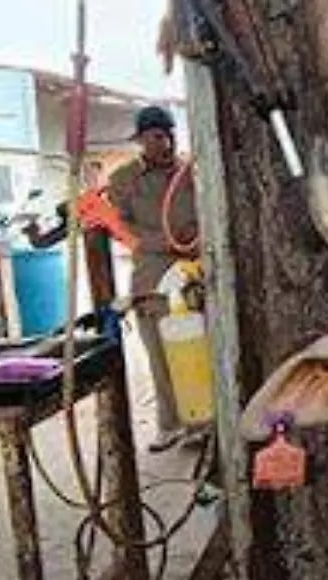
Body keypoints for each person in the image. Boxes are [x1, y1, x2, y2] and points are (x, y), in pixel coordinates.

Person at [26, 105, 200, 453]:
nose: (165, 144)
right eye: (156, 137)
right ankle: (170, 425)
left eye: (168, 136)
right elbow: (119, 227)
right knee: (159, 356)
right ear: (141, 140)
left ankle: (202, 425)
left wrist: (195, 240)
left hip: (194, 274)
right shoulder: (124, 179)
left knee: (195, 353)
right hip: (152, 280)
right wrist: (162, 242)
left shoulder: (189, 173)